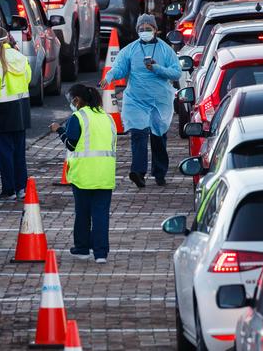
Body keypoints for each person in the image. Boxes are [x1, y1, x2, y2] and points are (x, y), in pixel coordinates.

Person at [99, 14, 181, 187]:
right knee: (138, 134)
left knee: (158, 136)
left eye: (148, 29)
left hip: (160, 102)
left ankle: (160, 173)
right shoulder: (130, 50)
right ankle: (138, 172)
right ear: (137, 30)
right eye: (141, 29)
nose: (145, 31)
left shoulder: (166, 50)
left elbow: (176, 72)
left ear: (155, 30)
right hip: (136, 100)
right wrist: (109, 76)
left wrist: (157, 68)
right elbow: (119, 68)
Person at [50, 84, 116, 264]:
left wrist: (59, 130)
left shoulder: (78, 117)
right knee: (101, 214)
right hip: (105, 174)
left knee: (83, 213)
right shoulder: (107, 118)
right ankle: (101, 253)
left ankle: (82, 248)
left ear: (77, 100)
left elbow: (71, 144)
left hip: (84, 175)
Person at [0, 27, 32, 201]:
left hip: (2, 111)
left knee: (5, 153)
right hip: (21, 109)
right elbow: (28, 78)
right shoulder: (21, 57)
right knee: (19, 152)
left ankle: (8, 190)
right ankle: (21, 188)